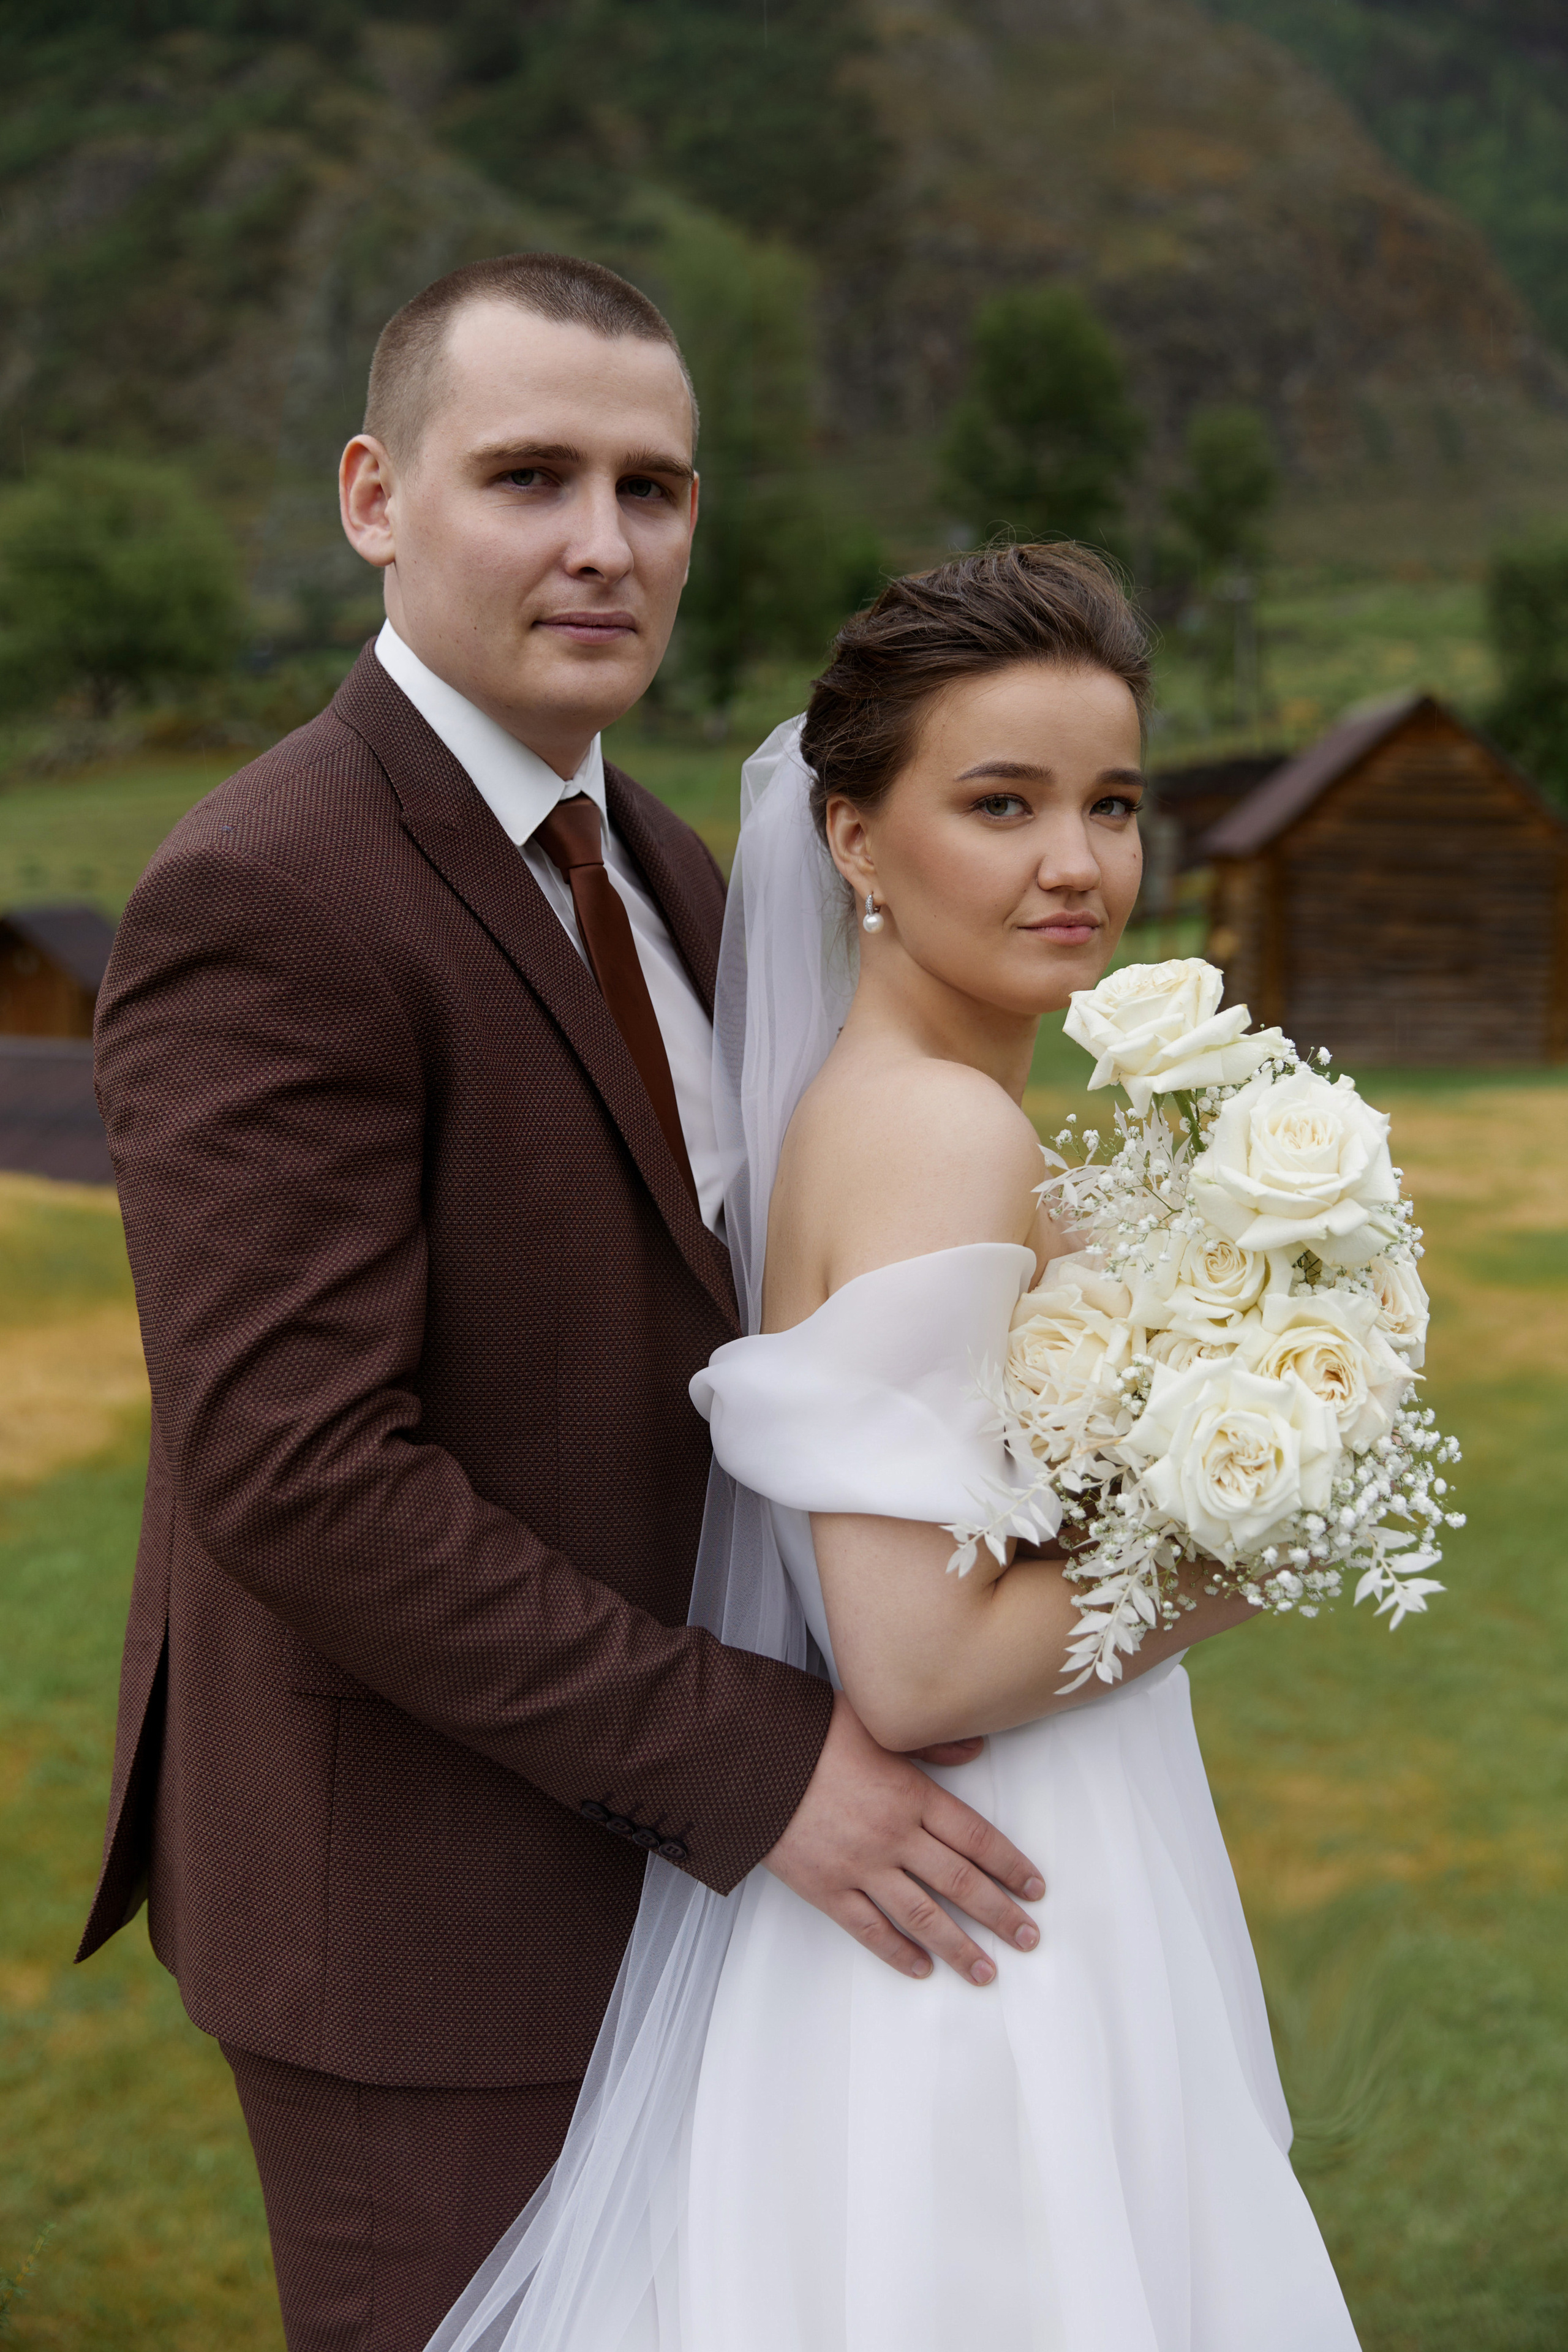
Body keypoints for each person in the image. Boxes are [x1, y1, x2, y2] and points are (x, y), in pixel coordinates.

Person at [77, 255, 1048, 2352]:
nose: (607, 544)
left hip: (670, 1893)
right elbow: (305, 1475)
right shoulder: (265, 894)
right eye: (531, 476)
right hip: (425, 1912)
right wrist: (758, 1764)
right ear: (374, 496)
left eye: (657, 488)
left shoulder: (682, 873)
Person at [428, 545, 1362, 2350]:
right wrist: (1254, 1537)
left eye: (1112, 803)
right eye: (999, 804)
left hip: (1006, 1847)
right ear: (854, 840)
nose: (1077, 865)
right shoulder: (943, 1137)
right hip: (989, 1897)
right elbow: (919, 1662)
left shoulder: (896, 1105)